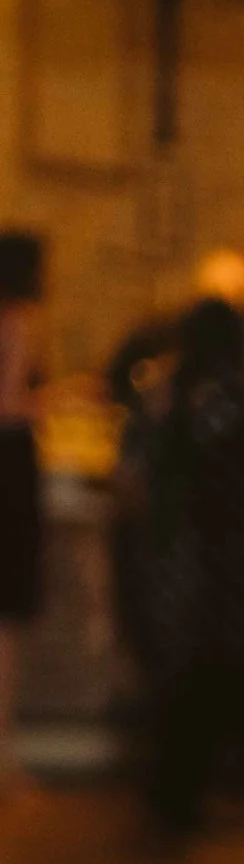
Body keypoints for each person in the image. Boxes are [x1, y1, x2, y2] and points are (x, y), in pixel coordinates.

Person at [109, 294, 244, 842]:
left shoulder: (163, 395)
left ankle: (171, 794)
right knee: (211, 676)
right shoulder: (236, 395)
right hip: (224, 552)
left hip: (171, 550)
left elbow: (130, 471)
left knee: (175, 675)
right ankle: (187, 794)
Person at [0, 229, 47, 791]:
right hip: (9, 465)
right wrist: (45, 404)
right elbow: (10, 404)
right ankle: (2, 754)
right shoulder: (19, 323)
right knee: (7, 616)